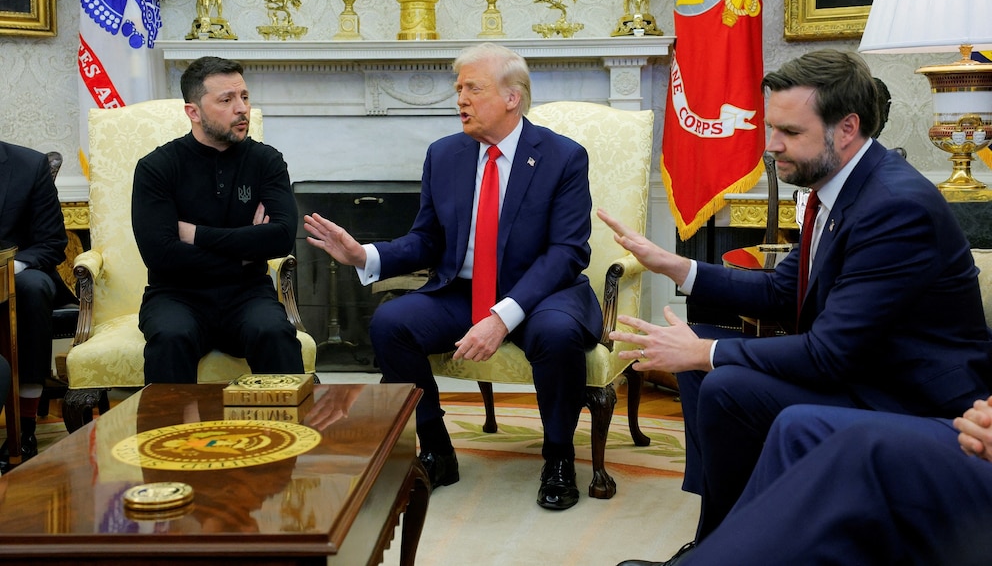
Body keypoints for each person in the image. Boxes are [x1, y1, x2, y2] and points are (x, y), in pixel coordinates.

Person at [603, 49, 992, 564]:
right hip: (864, 369)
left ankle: (732, 546)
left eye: (789, 132)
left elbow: (830, 354)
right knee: (705, 371)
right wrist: (674, 265)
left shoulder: (895, 207)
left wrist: (706, 352)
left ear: (846, 127)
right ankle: (720, 539)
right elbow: (782, 293)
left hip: (909, 395)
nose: (771, 147)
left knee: (719, 375)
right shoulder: (835, 187)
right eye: (770, 128)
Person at [304, 43, 601, 510]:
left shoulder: (562, 157)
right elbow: (426, 240)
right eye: (457, 87)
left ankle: (559, 456)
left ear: (512, 97)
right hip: (463, 291)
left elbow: (566, 253)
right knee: (390, 323)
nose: (459, 98)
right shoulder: (444, 155)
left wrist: (502, 317)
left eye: (472, 88)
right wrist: (365, 254)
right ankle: (437, 448)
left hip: (544, 294)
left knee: (558, 333)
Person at [634, 401, 992, 565]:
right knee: (796, 427)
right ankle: (714, 545)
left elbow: (836, 344)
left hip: (900, 382)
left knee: (867, 453)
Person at [132, 56, 304, 384]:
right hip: (175, 294)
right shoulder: (156, 167)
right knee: (170, 338)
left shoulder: (266, 161)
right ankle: (169, 436)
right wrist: (246, 250)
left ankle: (291, 434)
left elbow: (281, 238)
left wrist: (196, 234)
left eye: (244, 96)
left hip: (248, 292)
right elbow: (160, 254)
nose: (241, 108)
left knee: (274, 332)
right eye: (226, 100)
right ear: (193, 112)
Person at [0, 141, 69, 472]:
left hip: (17, 274)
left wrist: (10, 269)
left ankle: (25, 429)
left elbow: (53, 243)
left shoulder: (28, 166)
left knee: (32, 287)